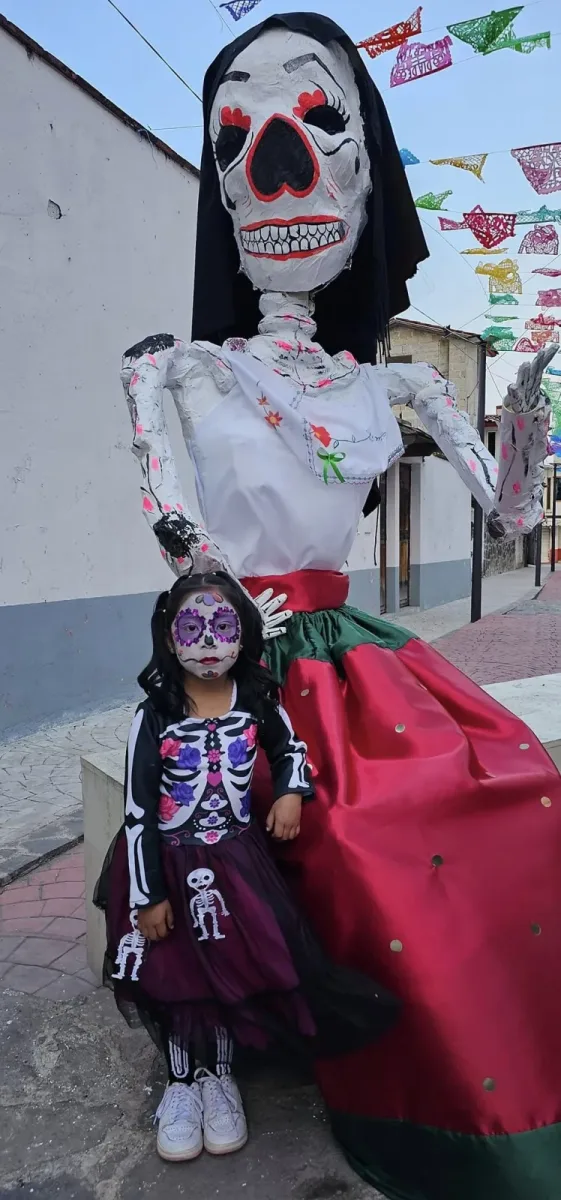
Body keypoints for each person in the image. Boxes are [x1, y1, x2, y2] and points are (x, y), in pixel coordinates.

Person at [114, 14, 561, 1198]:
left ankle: (473, 1069)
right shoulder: (174, 367)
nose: (280, 168)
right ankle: (197, 1048)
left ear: (368, 165)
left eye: (317, 125)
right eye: (241, 138)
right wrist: (221, 630)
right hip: (232, 646)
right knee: (210, 819)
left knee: (505, 780)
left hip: (353, 654)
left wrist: (521, 433)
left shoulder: (397, 381)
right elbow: (175, 524)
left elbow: (511, 519)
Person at [95, 570, 397, 1164]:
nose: (208, 639)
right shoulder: (153, 712)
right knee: (176, 976)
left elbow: (291, 750)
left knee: (235, 967)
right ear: (168, 635)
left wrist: (291, 792)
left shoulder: (257, 695)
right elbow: (136, 810)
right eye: (191, 626)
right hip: (168, 865)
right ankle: (183, 1084)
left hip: (237, 862)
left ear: (244, 632)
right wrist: (148, 895)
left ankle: (222, 1080)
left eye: (222, 625)